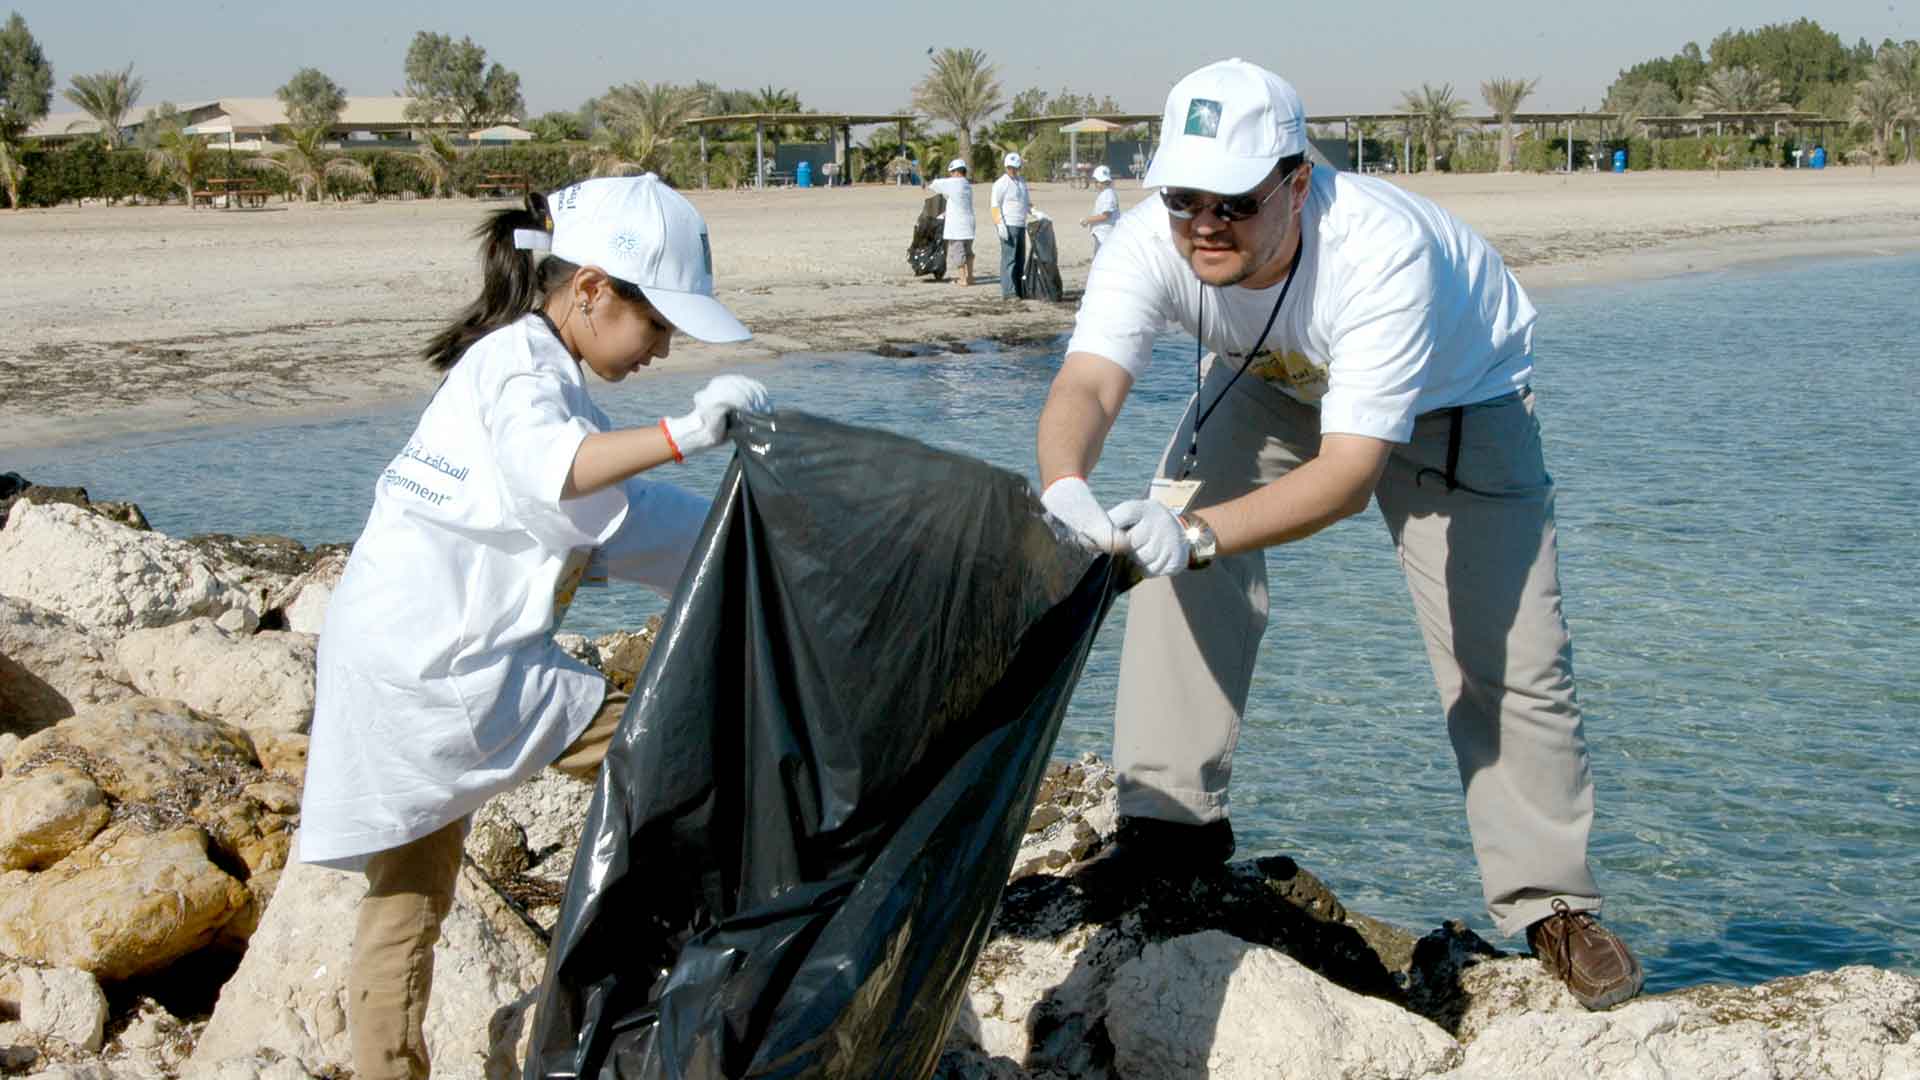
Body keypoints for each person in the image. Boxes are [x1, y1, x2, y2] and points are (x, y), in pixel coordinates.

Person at [1034, 59, 1644, 1011]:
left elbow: (1349, 475)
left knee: (1507, 649)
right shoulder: (1157, 241)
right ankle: (1166, 827)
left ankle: (1552, 903)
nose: (1203, 224)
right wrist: (1066, 484)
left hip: (1458, 397)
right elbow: (1090, 380)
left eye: (1232, 202)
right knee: (1164, 543)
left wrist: (1191, 533)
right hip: (1274, 381)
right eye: (1182, 196)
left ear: (1297, 182)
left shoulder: (1380, 251)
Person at [296, 174, 773, 1079]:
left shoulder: (538, 372)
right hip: (446, 668)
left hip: (412, 659)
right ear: (591, 290)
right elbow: (557, 472)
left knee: (406, 898)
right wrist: (688, 432)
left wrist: (752, 541)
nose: (663, 348)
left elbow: (622, 518)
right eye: (659, 324)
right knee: (667, 742)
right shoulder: (516, 369)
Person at [926, 157, 977, 286]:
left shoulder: (953, 183)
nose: (950, 175)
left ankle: (962, 279)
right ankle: (970, 277)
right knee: (968, 252)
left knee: (958, 252)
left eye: (951, 172)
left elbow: (934, 184)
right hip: (969, 224)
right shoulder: (967, 185)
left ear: (955, 172)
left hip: (957, 226)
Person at [991, 151, 1032, 298]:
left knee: (1020, 259)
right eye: (1010, 167)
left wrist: (1034, 211)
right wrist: (1000, 224)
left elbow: (1026, 202)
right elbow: (995, 206)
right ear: (1006, 167)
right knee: (1009, 259)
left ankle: (1020, 289)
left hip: (1021, 224)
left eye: (1015, 168)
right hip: (1008, 224)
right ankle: (1009, 291)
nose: (1013, 170)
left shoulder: (1021, 182)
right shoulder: (1000, 183)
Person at [1080, 164, 1120, 254]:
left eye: (1099, 182)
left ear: (1107, 182)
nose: (1097, 184)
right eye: (1096, 182)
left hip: (1105, 234)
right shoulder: (1106, 193)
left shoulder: (1108, 194)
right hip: (1102, 234)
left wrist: (1088, 220)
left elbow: (1105, 215)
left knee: (1101, 258)